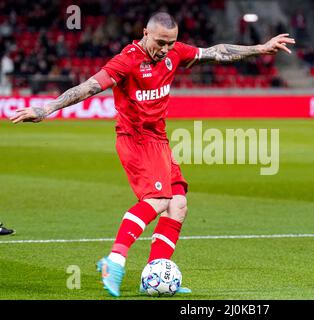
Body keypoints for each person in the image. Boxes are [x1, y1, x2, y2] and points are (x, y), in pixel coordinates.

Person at [10, 12, 295, 297]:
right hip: (134, 139)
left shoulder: (174, 54)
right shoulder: (127, 60)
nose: (166, 49)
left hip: (158, 139)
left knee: (179, 204)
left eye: (171, 43)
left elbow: (217, 52)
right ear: (146, 33)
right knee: (158, 200)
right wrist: (44, 109)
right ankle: (115, 261)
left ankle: (156, 272)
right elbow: (88, 88)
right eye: (161, 42)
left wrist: (260, 48)